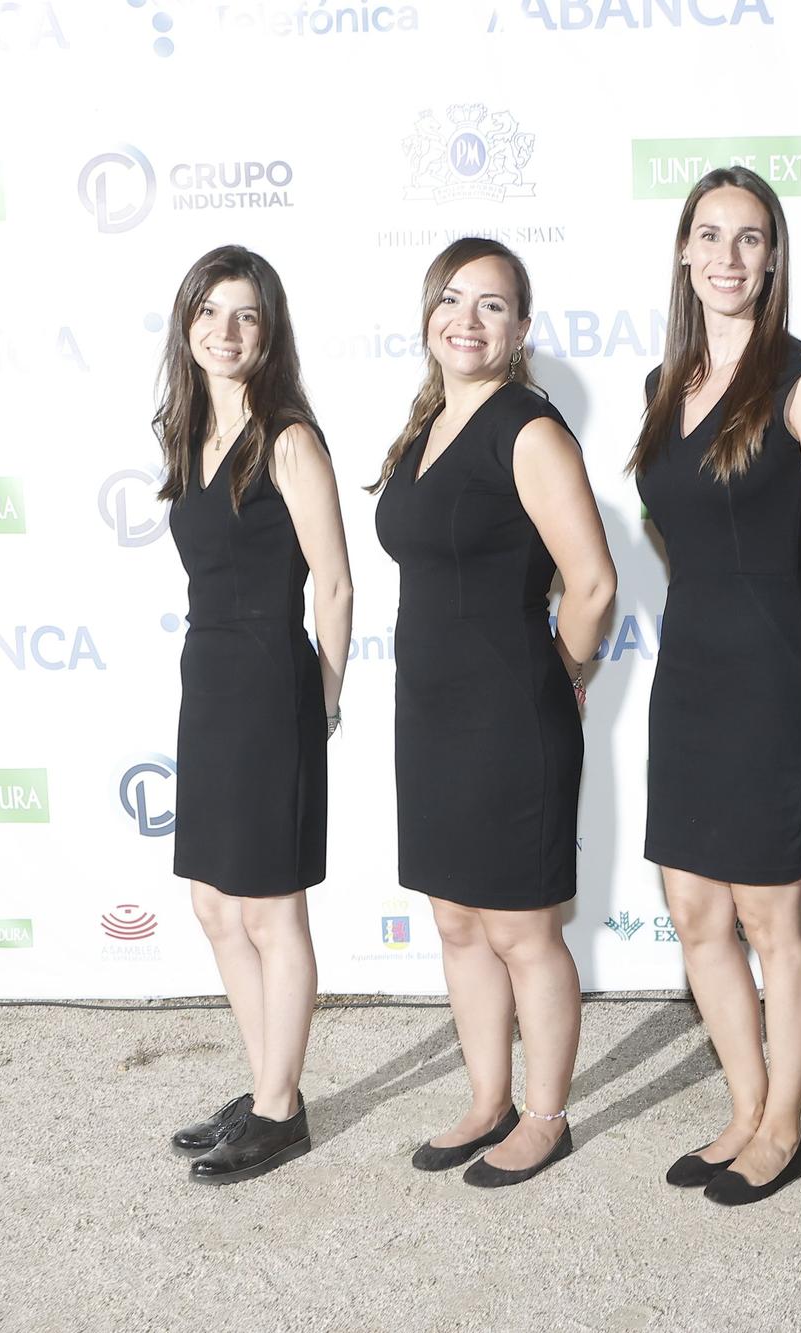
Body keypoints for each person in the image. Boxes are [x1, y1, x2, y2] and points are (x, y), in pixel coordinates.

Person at [631, 167, 801, 1206]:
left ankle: (784, 1127)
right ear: (684, 253)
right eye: (710, 235)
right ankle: (739, 1106)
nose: (728, 256)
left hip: (771, 669)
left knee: (773, 920)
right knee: (694, 911)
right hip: (685, 667)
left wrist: (800, 676)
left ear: (771, 258)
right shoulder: (663, 383)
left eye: (750, 238)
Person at [371, 237, 617, 1188]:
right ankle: (487, 1099)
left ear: (521, 329)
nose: (467, 320)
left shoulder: (530, 429)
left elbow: (592, 581)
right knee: (458, 922)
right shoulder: (424, 424)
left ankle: (547, 1115)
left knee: (522, 931)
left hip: (512, 713)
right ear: (430, 311)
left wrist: (563, 670)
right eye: (454, 299)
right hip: (429, 715)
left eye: (494, 305)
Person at [157, 245, 354, 1185]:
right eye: (211, 311)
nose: (225, 331)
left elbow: (338, 586)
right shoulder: (186, 429)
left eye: (246, 316)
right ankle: (265, 1080)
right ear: (187, 321)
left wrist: (322, 695)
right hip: (209, 686)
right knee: (212, 903)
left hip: (273, 686)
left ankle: (281, 1110)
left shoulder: (288, 437)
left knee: (273, 911)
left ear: (269, 332)